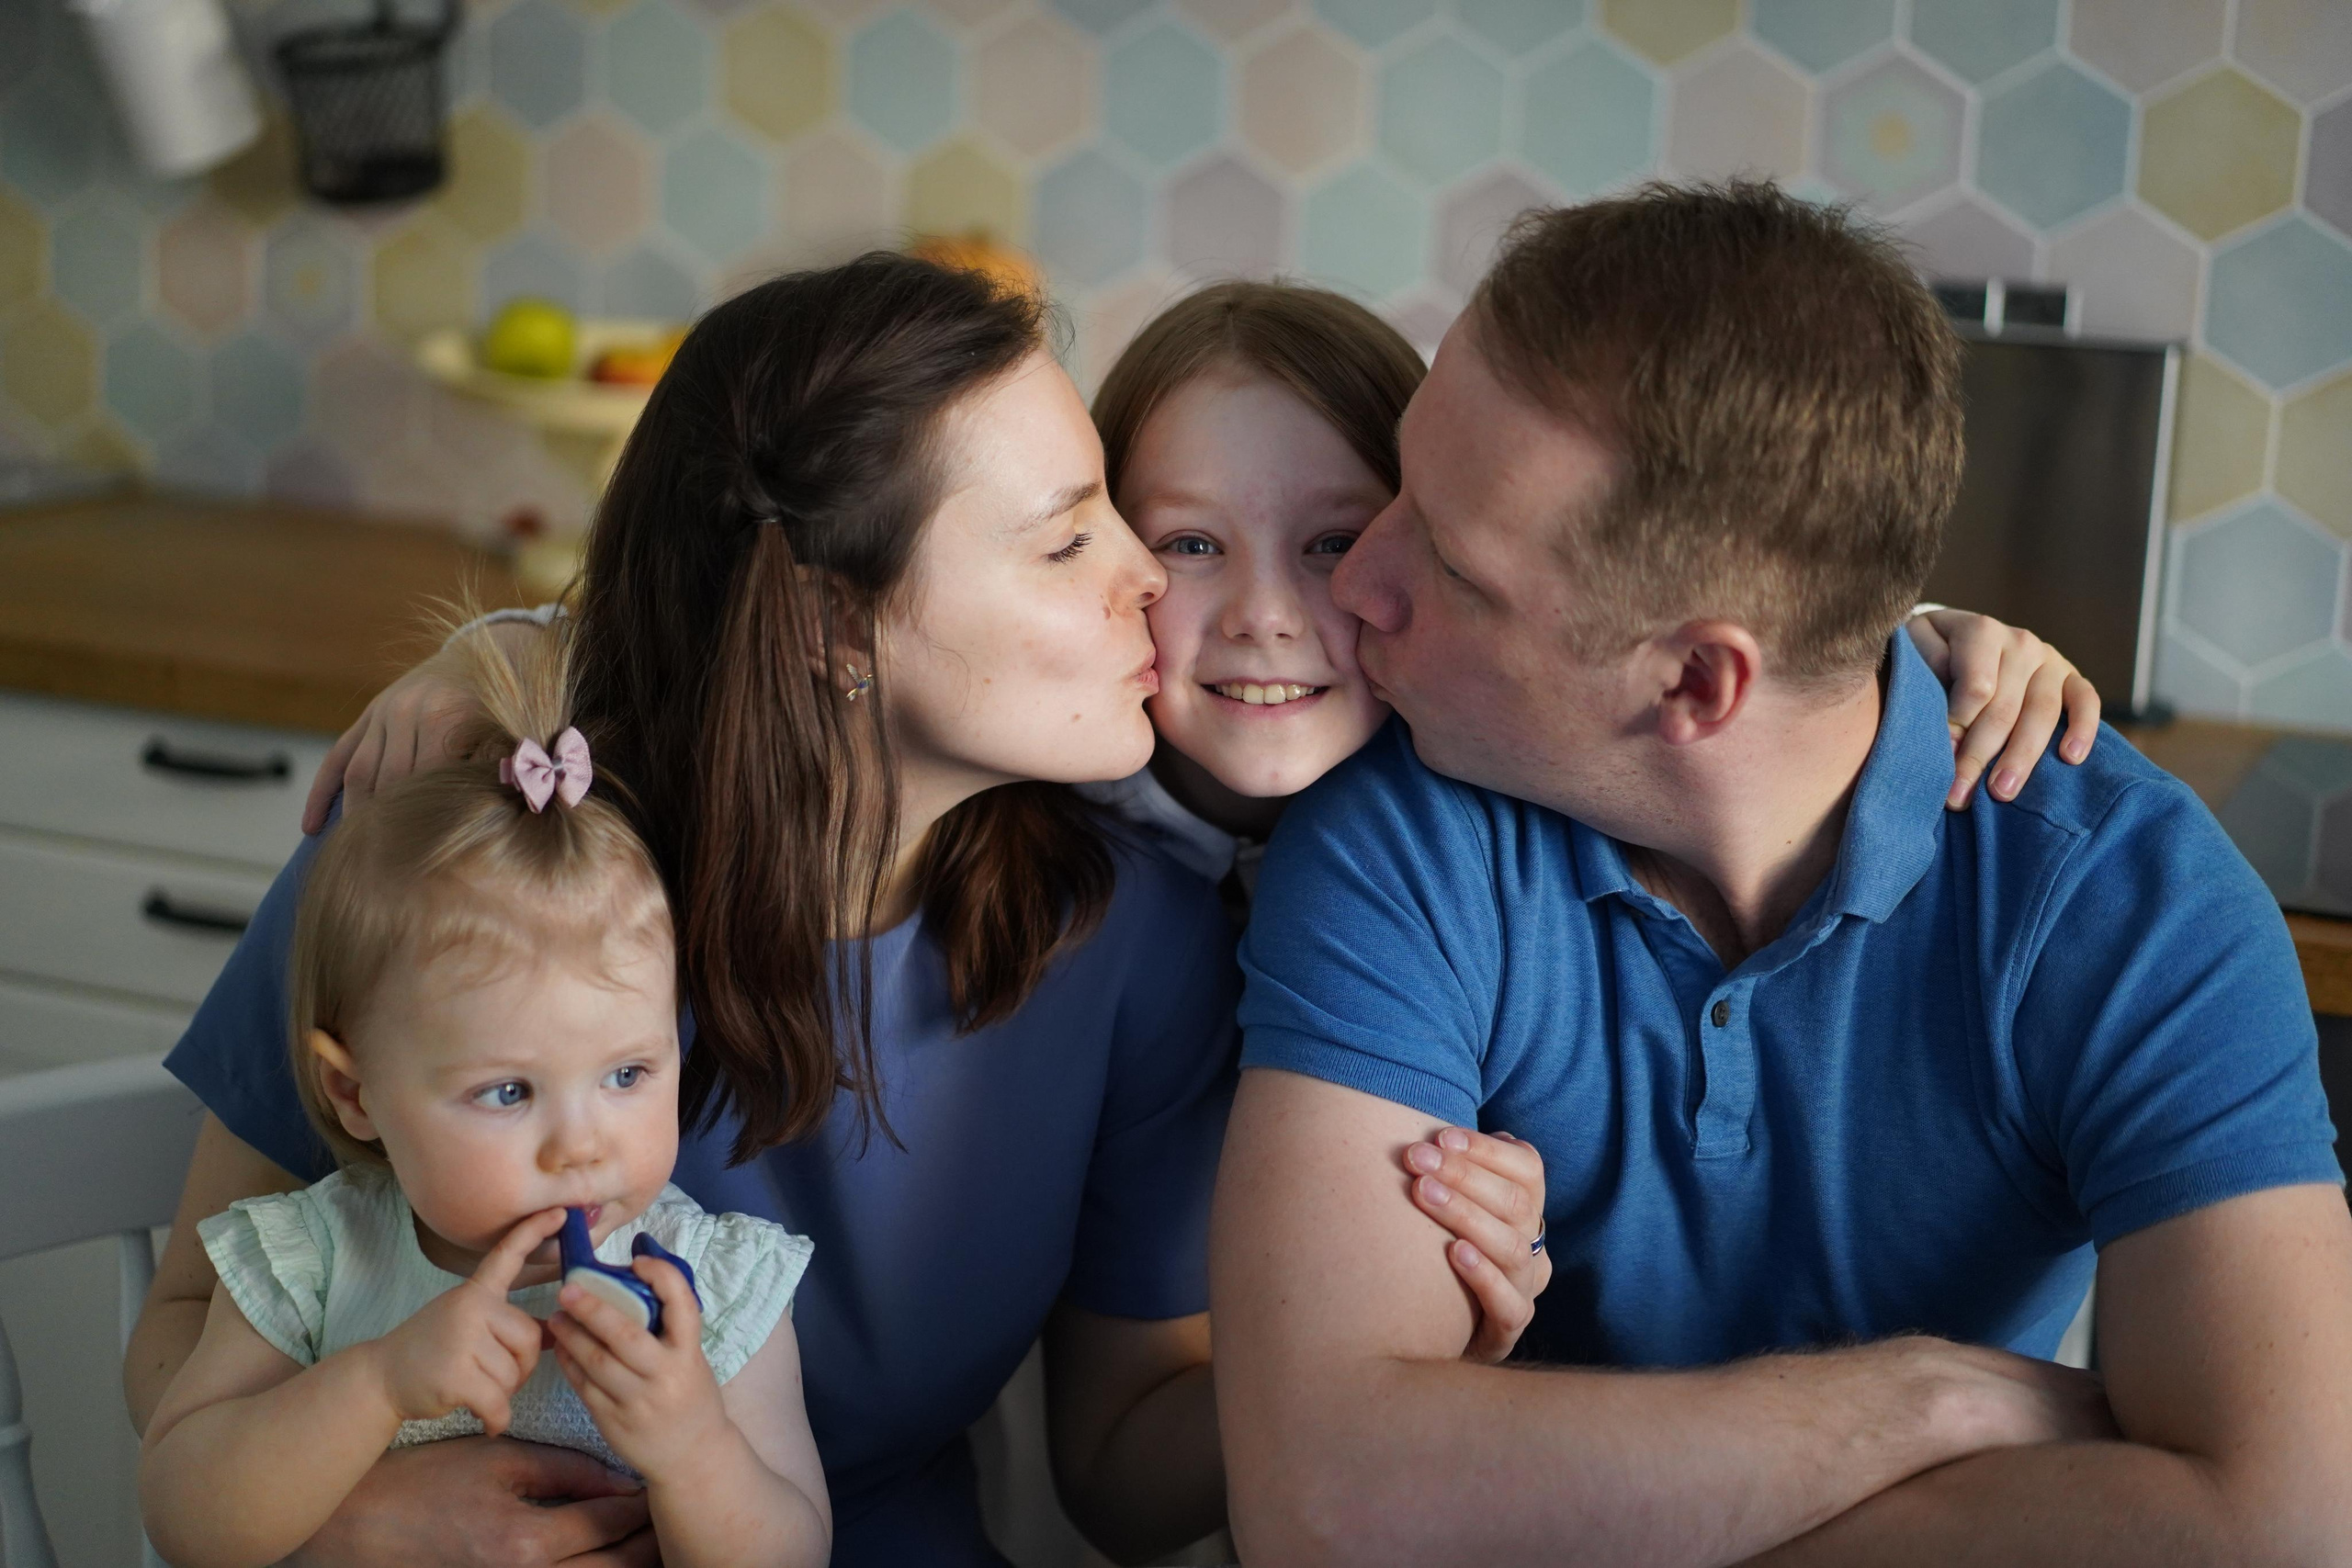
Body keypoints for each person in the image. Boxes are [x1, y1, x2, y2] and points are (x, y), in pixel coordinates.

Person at [125, 254, 1550, 1568]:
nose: (1143, 583)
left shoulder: (1142, 946)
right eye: (1068, 542)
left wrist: (1397, 1368)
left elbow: (1120, 1471)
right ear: (827, 624)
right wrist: (356, 1524)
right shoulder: (455, 865)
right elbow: (189, 1328)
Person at [1212, 181, 2352, 1568]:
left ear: (1697, 678)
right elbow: (1325, 1503)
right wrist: (1920, 1400)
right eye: (1402, 483)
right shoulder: (1401, 830)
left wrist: (1554, 1509)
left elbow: (2277, 1521)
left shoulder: (2131, 900)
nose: (1357, 584)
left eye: (1451, 563)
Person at [139, 624, 826, 1568]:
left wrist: (695, 1449)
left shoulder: (708, 1289)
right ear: (356, 1094)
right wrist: (376, 1384)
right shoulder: (310, 1264)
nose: (581, 1146)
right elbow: (187, 1520)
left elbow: (794, 1554)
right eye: (507, 1092)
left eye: (627, 1075)